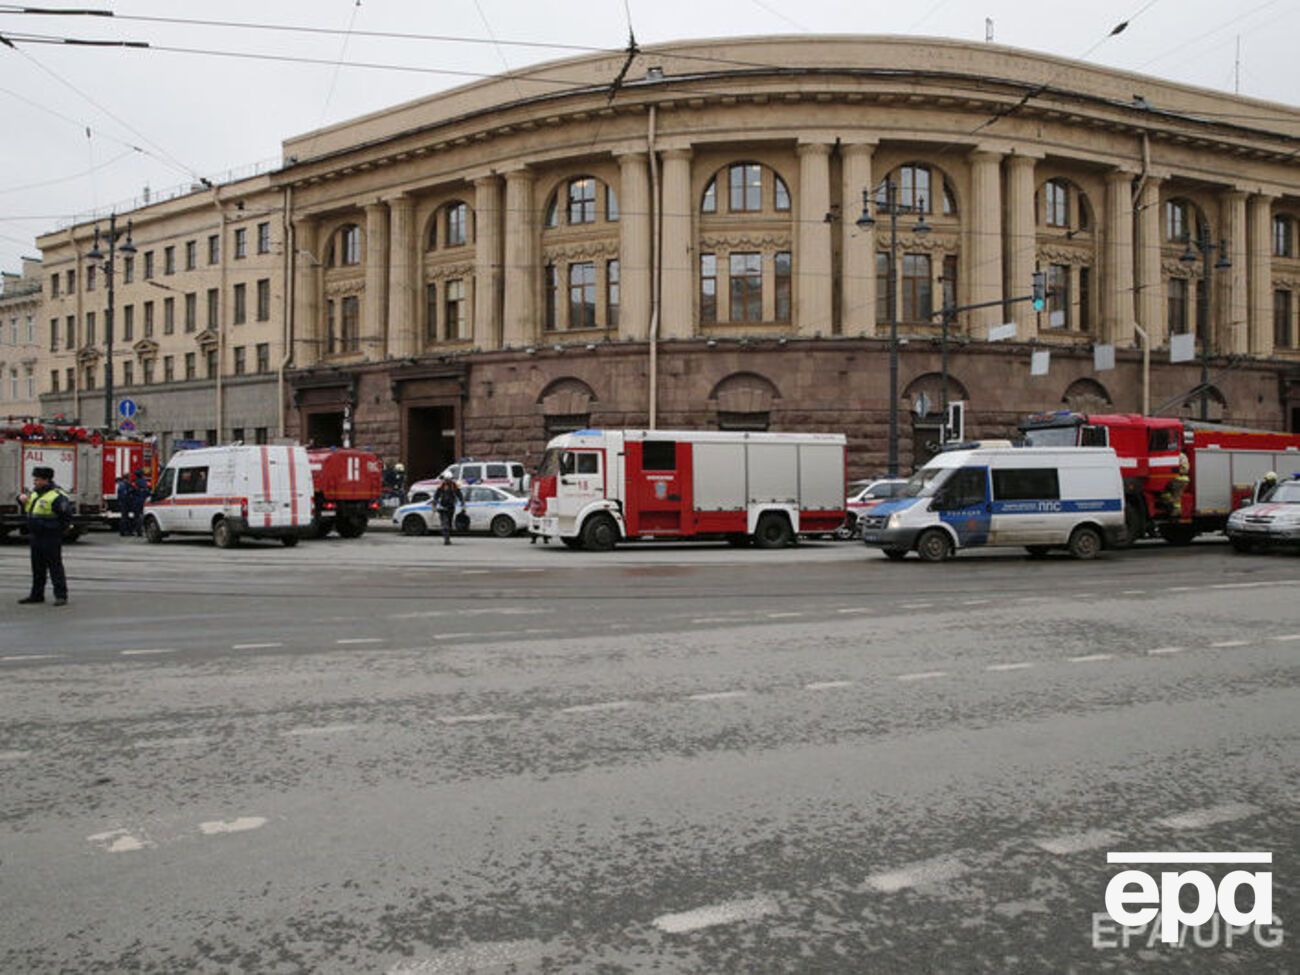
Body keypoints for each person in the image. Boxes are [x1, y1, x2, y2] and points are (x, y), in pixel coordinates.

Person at [18, 466, 72, 606]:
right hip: (36, 535)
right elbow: (28, 506)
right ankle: (36, 595)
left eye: (37, 479)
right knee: (37, 568)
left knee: (55, 566)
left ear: (45, 480)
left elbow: (66, 517)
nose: (34, 482)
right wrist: (20, 499)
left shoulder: (57, 496)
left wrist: (56, 530)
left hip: (50, 536)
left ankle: (61, 596)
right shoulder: (34, 493)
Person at [432, 475, 464, 546]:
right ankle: (446, 539)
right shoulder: (442, 485)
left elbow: (459, 494)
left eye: (448, 480)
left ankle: (447, 535)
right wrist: (434, 503)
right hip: (442, 507)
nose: (447, 481)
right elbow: (436, 495)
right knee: (445, 523)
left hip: (451, 507)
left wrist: (462, 502)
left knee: (449, 523)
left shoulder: (454, 485)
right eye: (446, 480)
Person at [129, 469, 150, 536]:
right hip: (143, 501)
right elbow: (148, 492)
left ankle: (138, 531)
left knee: (137, 516)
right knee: (142, 516)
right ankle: (142, 530)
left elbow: (131, 491)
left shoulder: (136, 483)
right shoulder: (145, 482)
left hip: (137, 501)